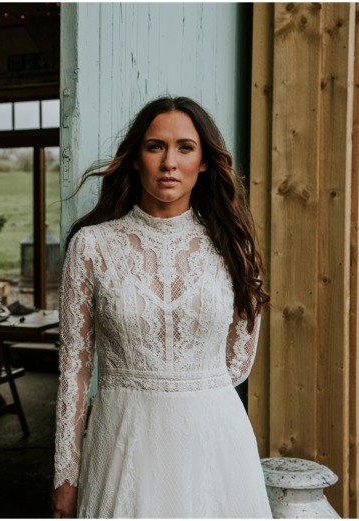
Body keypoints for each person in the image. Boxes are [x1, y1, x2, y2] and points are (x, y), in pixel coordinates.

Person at [51, 96, 272, 518]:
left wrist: (190, 386)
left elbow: (239, 361)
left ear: (204, 161)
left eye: (185, 147)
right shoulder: (93, 246)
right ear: (136, 158)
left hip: (215, 444)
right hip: (123, 439)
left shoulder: (232, 246)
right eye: (156, 146)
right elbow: (74, 370)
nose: (170, 161)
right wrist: (65, 472)